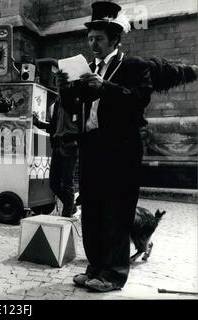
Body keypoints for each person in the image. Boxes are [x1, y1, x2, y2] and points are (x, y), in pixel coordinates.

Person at [58, 1, 153, 292]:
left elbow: (140, 99)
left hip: (121, 149)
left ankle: (114, 274)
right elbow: (73, 107)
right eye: (89, 39)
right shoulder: (86, 70)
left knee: (117, 211)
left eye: (98, 39)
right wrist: (64, 87)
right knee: (94, 211)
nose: (92, 44)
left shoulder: (135, 66)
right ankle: (95, 268)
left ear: (114, 39)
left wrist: (105, 88)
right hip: (92, 148)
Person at [32, 96, 79, 217]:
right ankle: (71, 207)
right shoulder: (58, 101)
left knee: (68, 183)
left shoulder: (76, 99)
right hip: (58, 146)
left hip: (70, 146)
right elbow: (53, 127)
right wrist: (38, 123)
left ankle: (66, 215)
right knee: (54, 183)